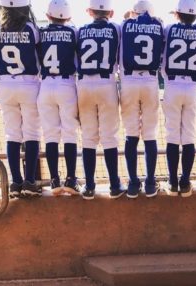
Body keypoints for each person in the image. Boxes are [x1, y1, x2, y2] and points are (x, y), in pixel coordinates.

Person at [77, 0, 125, 200]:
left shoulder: (80, 30)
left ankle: (89, 186)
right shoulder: (115, 28)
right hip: (106, 84)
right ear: (111, 12)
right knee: (109, 136)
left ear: (89, 11)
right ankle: (114, 184)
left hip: (84, 84)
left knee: (88, 137)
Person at [0, 0, 41, 198]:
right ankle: (30, 181)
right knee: (31, 133)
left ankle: (15, 182)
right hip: (29, 84)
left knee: (12, 135)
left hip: (5, 84)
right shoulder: (31, 28)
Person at [162, 0, 196, 198]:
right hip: (192, 86)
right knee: (188, 135)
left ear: (178, 14)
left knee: (172, 135)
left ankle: (172, 181)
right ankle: (185, 181)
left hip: (172, 85)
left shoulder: (169, 28)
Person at [120, 0, 164, 199]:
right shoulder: (158, 25)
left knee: (131, 135)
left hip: (129, 81)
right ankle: (150, 182)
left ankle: (133, 183)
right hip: (150, 81)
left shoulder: (124, 25)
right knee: (150, 134)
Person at [37, 0, 80, 196]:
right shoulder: (73, 32)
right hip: (66, 84)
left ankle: (54, 180)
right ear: (69, 17)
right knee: (70, 133)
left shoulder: (40, 32)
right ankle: (71, 179)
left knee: (51, 135)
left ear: (48, 16)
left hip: (45, 85)